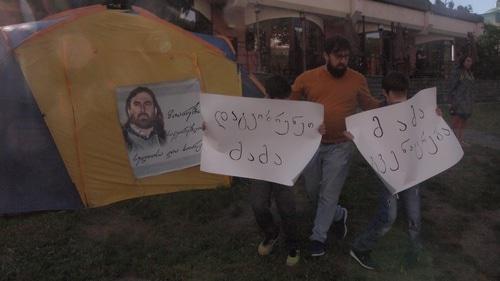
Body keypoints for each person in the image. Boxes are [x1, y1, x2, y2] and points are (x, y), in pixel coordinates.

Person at [290, 35, 381, 257]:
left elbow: (372, 106)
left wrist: (402, 105)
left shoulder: (357, 79)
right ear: (326, 56)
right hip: (311, 144)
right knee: (313, 191)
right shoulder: (306, 78)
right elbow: (288, 108)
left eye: (346, 57)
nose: (343, 61)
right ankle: (339, 214)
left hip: (341, 145)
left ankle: (318, 238)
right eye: (338, 56)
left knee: (328, 193)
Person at [349, 72, 435, 270]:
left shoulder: (413, 110)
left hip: (411, 172)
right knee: (389, 215)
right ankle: (360, 247)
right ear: (385, 94)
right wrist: (355, 135)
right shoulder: (377, 113)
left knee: (414, 215)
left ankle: (414, 251)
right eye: (395, 96)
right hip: (387, 174)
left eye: (403, 95)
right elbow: (366, 135)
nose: (400, 101)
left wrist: (435, 116)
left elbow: (427, 128)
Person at [249, 75, 301, 266]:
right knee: (258, 204)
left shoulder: (294, 111)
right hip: (260, 166)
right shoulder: (254, 111)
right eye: (281, 101)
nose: (285, 105)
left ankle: (293, 244)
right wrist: (211, 128)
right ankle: (271, 233)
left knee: (287, 207)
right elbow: (234, 130)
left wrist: (316, 130)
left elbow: (304, 132)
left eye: (287, 101)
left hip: (283, 167)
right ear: (269, 97)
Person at [122, 86, 166, 152]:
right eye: (137, 104)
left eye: (147, 104)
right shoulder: (122, 138)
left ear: (155, 110)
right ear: (129, 110)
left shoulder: (162, 136)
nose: (142, 110)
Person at [448, 55, 474, 147]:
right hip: (458, 101)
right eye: (468, 60)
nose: (469, 63)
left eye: (470, 61)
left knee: (464, 121)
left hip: (467, 102)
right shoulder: (457, 72)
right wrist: (450, 101)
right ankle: (450, 140)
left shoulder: (469, 72)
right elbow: (452, 87)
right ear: (463, 61)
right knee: (455, 122)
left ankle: (460, 140)